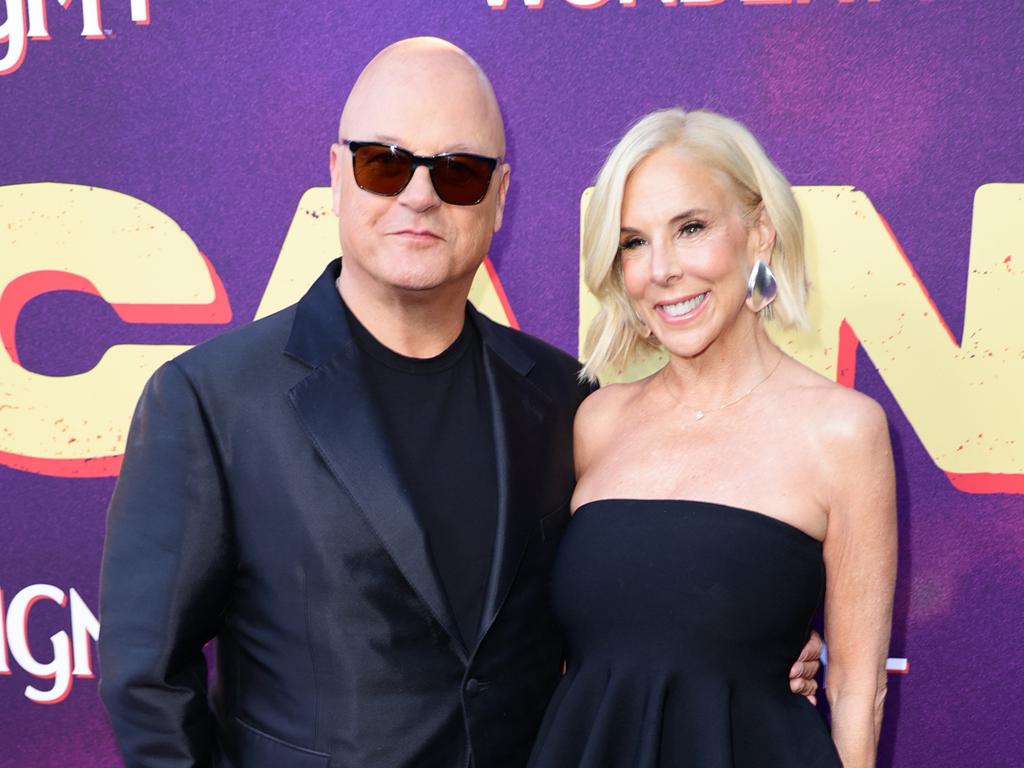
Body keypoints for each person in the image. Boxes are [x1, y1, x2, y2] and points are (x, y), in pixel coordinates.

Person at [98, 40, 822, 768]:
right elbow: (148, 684)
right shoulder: (211, 399)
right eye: (384, 162)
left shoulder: (564, 399)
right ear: (336, 175)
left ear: (499, 197)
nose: (420, 196)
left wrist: (746, 631)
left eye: (458, 172)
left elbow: (628, 588)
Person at [527, 108, 896, 768]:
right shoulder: (597, 423)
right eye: (634, 242)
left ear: (759, 233)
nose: (661, 268)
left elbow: (856, 691)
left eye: (690, 228)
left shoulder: (843, 431)